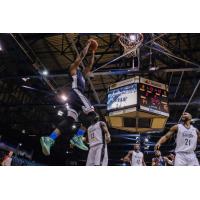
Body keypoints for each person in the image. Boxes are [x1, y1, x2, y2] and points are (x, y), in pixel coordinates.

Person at [40, 39, 98, 156]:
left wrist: (93, 52)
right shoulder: (73, 68)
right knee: (93, 115)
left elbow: (90, 65)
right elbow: (80, 56)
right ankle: (78, 137)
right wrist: (87, 44)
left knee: (69, 120)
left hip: (73, 99)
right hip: (76, 93)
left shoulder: (82, 74)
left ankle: (50, 139)